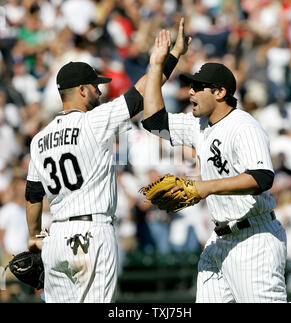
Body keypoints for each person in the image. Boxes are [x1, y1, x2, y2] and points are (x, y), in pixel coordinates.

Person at [24, 21, 190, 303]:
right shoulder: (95, 121)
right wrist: (172, 57)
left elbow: (32, 196)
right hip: (92, 234)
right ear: (82, 90)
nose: (101, 92)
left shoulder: (39, 139)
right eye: (96, 87)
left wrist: (35, 237)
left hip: (56, 238)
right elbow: (143, 94)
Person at [142, 19, 287, 303]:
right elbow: (153, 121)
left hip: (253, 238)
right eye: (190, 86)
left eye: (199, 87)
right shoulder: (200, 125)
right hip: (219, 240)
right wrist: (157, 65)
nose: (191, 92)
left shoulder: (244, 125)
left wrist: (203, 187)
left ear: (220, 92)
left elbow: (261, 178)